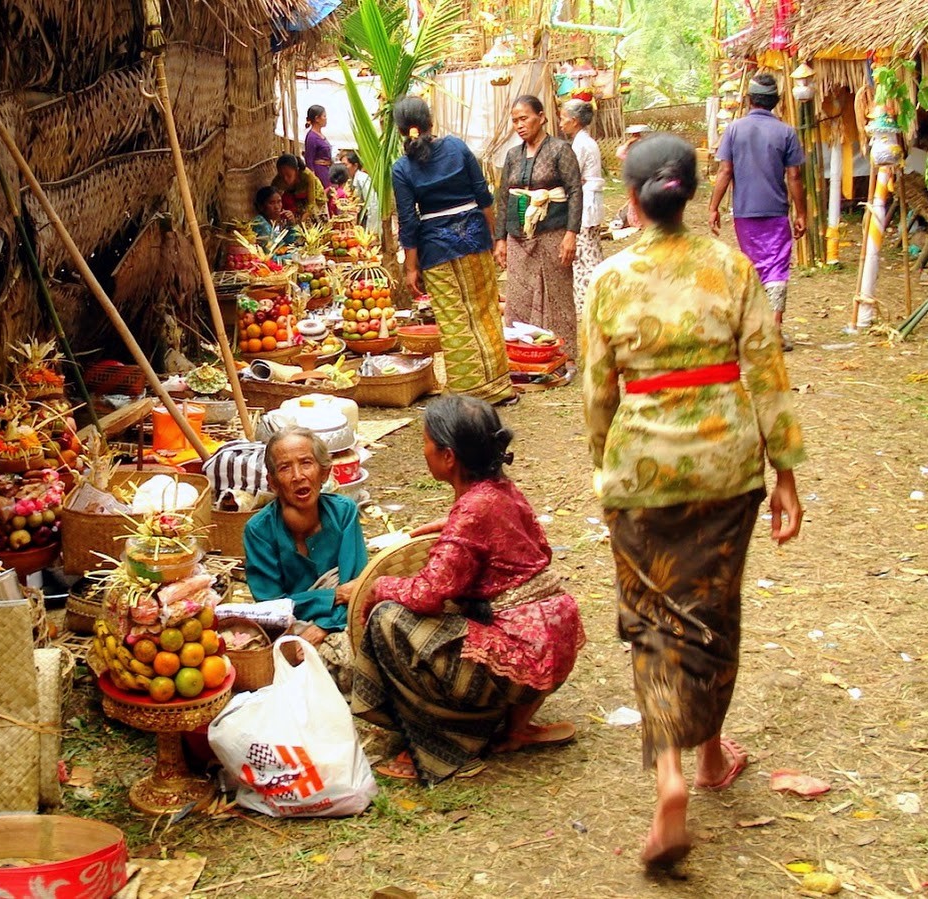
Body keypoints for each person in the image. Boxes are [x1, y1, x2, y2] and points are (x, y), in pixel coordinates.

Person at [582, 134, 806, 870]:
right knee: (711, 608)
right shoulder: (732, 266)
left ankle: (670, 777)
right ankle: (709, 755)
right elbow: (767, 372)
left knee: (653, 621)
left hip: (641, 471)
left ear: (633, 198)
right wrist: (785, 474)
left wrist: (604, 463)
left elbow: (597, 394)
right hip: (725, 467)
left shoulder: (610, 279)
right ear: (691, 191)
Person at [352, 395, 586, 783]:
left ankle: (445, 746)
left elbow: (428, 593)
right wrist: (455, 530)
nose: (422, 450)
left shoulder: (473, 510)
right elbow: (539, 548)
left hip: (522, 656)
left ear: (448, 457)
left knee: (388, 620)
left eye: (426, 442)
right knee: (466, 609)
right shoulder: (502, 491)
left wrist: (379, 586)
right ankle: (516, 728)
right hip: (555, 637)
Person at [392, 96, 515, 405]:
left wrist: (410, 267)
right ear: (430, 121)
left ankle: (466, 394)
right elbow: (484, 197)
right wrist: (492, 235)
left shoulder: (402, 168)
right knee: (485, 311)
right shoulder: (457, 147)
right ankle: (499, 388)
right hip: (474, 238)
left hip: (436, 250)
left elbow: (409, 222)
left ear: (400, 130)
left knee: (454, 321)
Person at [243, 428, 367, 687]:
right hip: (289, 626)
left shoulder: (343, 513)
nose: (298, 476)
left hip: (343, 617)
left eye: (306, 463)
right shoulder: (259, 530)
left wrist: (324, 625)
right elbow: (271, 606)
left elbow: (357, 587)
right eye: (285, 468)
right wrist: (334, 596)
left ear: (324, 473)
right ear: (273, 482)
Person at [709, 72, 808, 351]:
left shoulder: (734, 130)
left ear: (749, 99)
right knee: (776, 267)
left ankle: (752, 329)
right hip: (776, 210)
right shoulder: (786, 132)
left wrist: (713, 207)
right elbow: (795, 177)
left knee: (752, 266)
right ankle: (773, 330)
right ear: (775, 102)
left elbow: (724, 171)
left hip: (744, 213)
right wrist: (801, 213)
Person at [494, 94, 583, 354]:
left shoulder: (559, 150)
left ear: (541, 117)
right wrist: (500, 239)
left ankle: (563, 354)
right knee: (519, 293)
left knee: (557, 291)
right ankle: (523, 353)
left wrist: (571, 234)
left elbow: (575, 191)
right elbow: (503, 198)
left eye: (524, 118)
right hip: (518, 235)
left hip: (552, 231)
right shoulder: (512, 155)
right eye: (514, 121)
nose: (519, 125)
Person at [559, 99, 605, 319]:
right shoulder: (585, 141)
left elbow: (571, 175)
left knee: (584, 255)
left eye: (563, 119)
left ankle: (588, 303)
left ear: (574, 121)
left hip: (586, 202)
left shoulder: (581, 144)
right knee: (591, 251)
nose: (561, 124)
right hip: (590, 200)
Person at [610, 125, 651, 230]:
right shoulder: (630, 149)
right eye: (634, 134)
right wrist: (629, 142)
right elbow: (619, 154)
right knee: (634, 199)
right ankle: (636, 220)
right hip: (634, 176)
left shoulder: (646, 146)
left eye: (636, 134)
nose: (635, 136)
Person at [273, 153, 328, 222]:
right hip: (297, 200)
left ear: (297, 171)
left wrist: (302, 222)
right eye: (282, 175)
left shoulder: (308, 176)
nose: (285, 179)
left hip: (315, 199)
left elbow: (311, 204)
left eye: (289, 175)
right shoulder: (277, 181)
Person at [250, 186, 298, 255]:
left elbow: (289, 243)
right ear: (261, 206)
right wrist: (295, 256)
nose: (277, 207)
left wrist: (291, 224)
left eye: (279, 202)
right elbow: (270, 256)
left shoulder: (276, 220)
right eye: (271, 203)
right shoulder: (260, 223)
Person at [343, 150, 380, 235]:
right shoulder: (350, 180)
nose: (343, 168)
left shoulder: (362, 179)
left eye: (345, 165)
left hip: (368, 220)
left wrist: (371, 231)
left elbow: (372, 204)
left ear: (355, 165)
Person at [304, 105, 334, 190]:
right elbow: (309, 159)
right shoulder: (312, 137)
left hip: (326, 169)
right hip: (319, 172)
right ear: (317, 119)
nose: (326, 119)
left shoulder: (320, 135)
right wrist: (313, 179)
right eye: (324, 116)